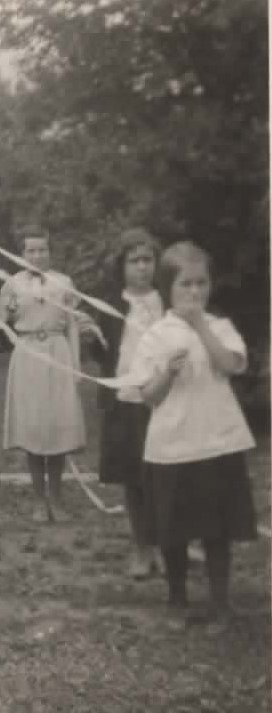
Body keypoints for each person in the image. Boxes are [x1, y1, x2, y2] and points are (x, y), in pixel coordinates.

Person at [131, 242, 257, 632]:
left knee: (217, 530)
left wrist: (201, 326)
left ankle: (221, 603)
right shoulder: (155, 335)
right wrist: (166, 373)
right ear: (168, 287)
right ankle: (177, 600)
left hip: (218, 441)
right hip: (172, 446)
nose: (195, 292)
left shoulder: (220, 327)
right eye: (185, 284)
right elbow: (147, 395)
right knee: (174, 531)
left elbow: (232, 365)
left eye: (202, 283)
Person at [0, 226, 85, 523]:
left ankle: (57, 498)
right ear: (22, 253)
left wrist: (76, 365)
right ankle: (39, 500)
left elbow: (73, 325)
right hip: (27, 352)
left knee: (56, 428)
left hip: (57, 351)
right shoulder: (13, 285)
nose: (37, 255)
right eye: (31, 250)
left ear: (50, 251)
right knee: (34, 427)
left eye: (43, 249)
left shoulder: (63, 283)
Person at [91, 228, 163, 579]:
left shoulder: (166, 300)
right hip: (125, 399)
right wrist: (90, 333)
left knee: (164, 475)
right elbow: (103, 354)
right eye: (134, 261)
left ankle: (167, 545)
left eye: (148, 260)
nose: (142, 267)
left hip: (163, 399)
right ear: (122, 266)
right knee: (134, 478)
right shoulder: (112, 303)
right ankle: (141, 548)